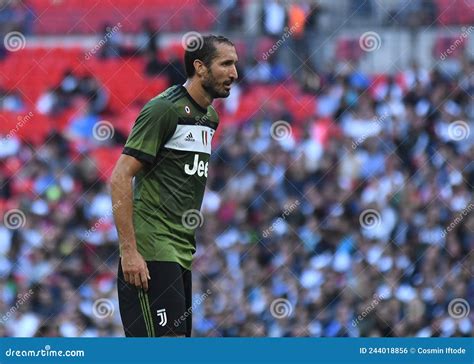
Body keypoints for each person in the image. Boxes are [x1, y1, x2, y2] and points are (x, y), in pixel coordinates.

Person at [110, 34, 238, 337]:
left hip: (182, 249)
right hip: (152, 246)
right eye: (226, 64)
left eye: (235, 64)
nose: (235, 73)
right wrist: (129, 251)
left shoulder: (209, 117)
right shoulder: (164, 109)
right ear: (200, 67)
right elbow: (120, 176)